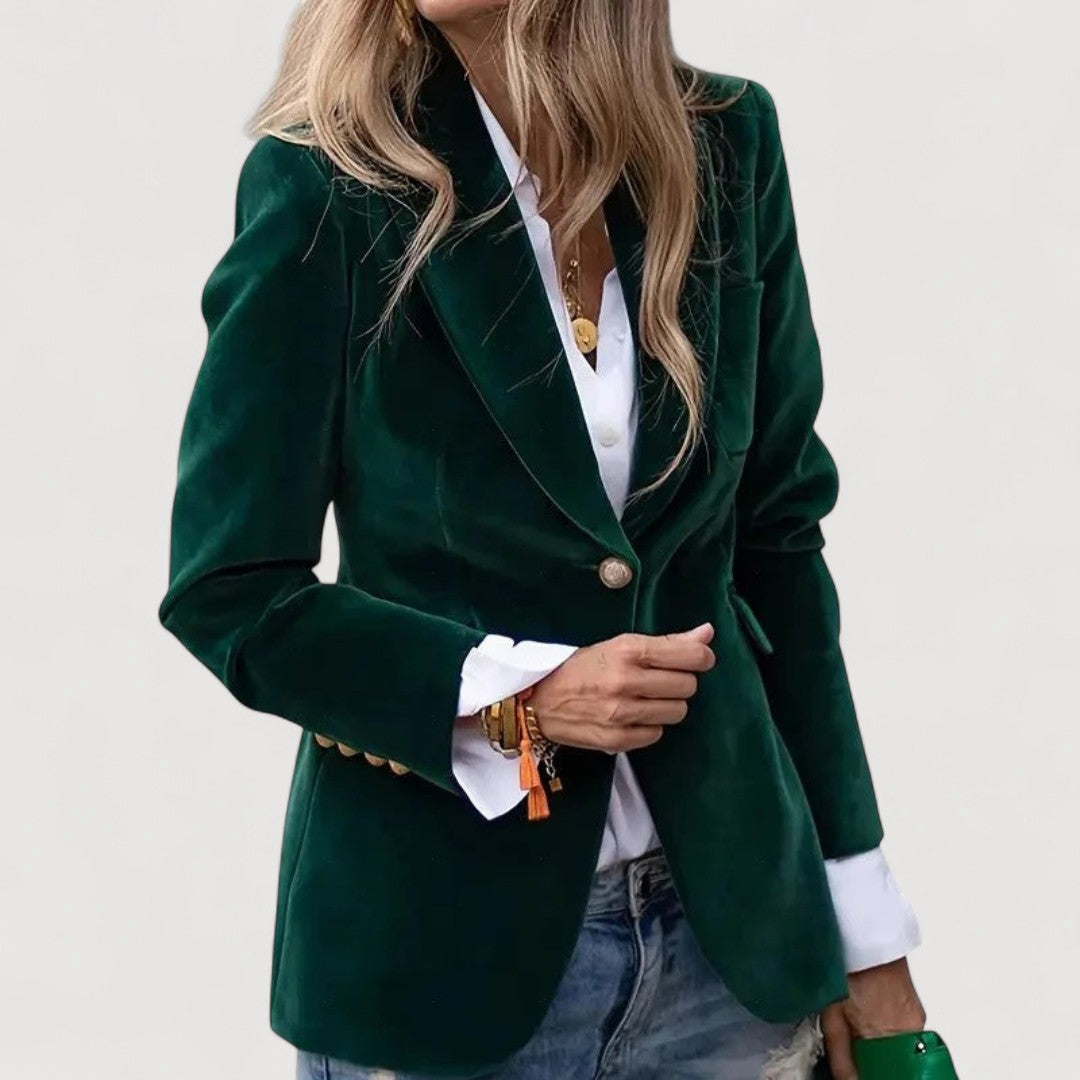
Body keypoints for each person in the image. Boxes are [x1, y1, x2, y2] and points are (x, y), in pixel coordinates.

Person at [158, 2, 927, 1077]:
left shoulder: (726, 145)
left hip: (730, 958)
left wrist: (867, 933)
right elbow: (233, 590)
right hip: (439, 966)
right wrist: (517, 699)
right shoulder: (327, 183)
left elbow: (780, 545)